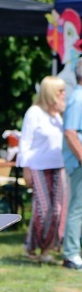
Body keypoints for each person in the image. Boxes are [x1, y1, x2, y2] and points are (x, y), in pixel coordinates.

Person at [17, 76, 67, 263]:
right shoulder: (34, 112)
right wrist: (25, 169)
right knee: (43, 209)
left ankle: (46, 250)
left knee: (58, 210)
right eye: (59, 91)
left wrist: (63, 111)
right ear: (49, 92)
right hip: (38, 166)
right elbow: (25, 142)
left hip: (59, 166)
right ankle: (31, 247)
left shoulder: (58, 115)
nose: (63, 94)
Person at [61, 63, 82, 270]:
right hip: (78, 163)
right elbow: (70, 133)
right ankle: (71, 255)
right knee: (78, 208)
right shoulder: (78, 98)